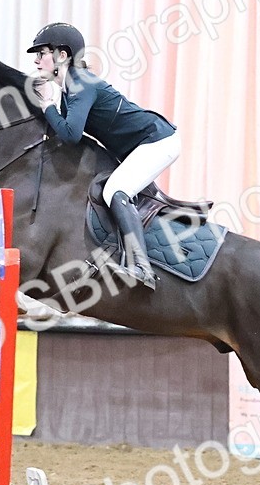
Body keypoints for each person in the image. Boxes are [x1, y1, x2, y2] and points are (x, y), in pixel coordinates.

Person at [28, 22, 180, 290]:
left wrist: (47, 105)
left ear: (62, 56)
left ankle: (141, 267)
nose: (37, 60)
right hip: (141, 145)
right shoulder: (70, 88)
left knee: (116, 192)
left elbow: (71, 134)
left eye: (42, 53)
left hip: (158, 141)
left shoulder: (80, 84)